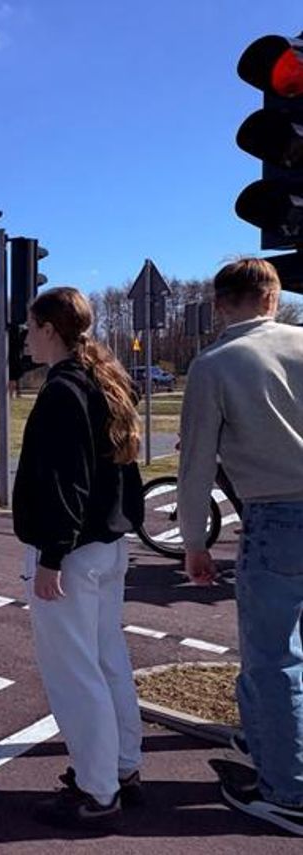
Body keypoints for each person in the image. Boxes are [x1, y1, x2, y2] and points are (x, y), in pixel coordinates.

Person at [177, 258, 303, 836]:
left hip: (276, 514)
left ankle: (287, 791)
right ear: (274, 299)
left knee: (273, 657)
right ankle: (272, 743)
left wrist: (194, 541)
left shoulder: (215, 365)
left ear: (220, 305)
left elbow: (197, 463)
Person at [12, 287, 145, 829]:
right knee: (108, 659)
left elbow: (66, 481)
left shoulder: (63, 390)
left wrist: (52, 557)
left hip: (70, 554)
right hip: (107, 546)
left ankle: (97, 791)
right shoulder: (105, 380)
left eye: (30, 328)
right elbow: (120, 473)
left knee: (74, 673)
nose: (25, 338)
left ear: (50, 329)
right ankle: (122, 768)